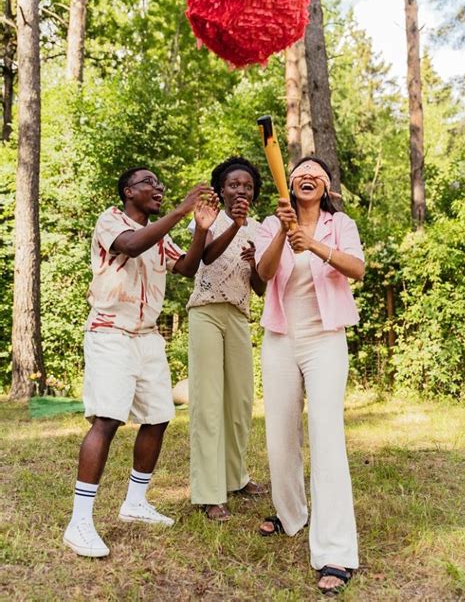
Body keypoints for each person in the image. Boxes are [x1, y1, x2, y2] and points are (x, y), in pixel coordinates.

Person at [63, 166, 219, 558]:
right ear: (128, 191)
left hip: (147, 336)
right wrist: (183, 211)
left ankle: (135, 502)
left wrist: (201, 228)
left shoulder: (160, 235)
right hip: (110, 331)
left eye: (160, 184)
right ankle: (79, 520)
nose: (158, 187)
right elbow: (130, 246)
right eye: (149, 182)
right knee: (107, 419)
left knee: (159, 415)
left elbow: (186, 267)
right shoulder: (110, 220)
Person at [254, 156, 365, 596]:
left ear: (327, 187)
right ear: (291, 184)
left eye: (316, 174)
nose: (307, 176)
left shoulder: (342, 226)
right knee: (280, 435)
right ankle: (292, 513)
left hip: (325, 339)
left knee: (326, 436)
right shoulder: (271, 223)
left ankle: (336, 550)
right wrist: (284, 232)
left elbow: (356, 269)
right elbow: (263, 276)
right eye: (299, 171)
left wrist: (313, 244)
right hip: (281, 337)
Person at [186, 156, 267, 522]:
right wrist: (234, 226)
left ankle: (236, 477)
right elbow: (204, 256)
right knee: (208, 402)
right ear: (221, 188)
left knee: (240, 403)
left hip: (238, 316)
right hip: (205, 311)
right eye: (234, 184)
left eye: (247, 186)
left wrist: (255, 263)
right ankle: (209, 493)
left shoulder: (260, 228)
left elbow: (261, 288)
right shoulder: (207, 217)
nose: (241, 190)